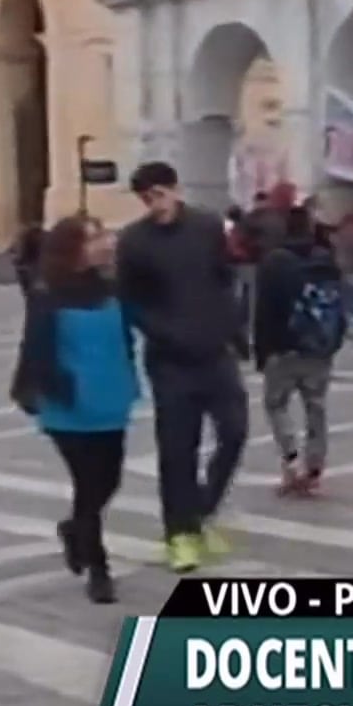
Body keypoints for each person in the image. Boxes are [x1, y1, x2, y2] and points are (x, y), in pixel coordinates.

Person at [117, 161, 249, 572]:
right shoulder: (134, 242)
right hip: (170, 361)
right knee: (178, 450)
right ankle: (180, 534)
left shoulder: (207, 226)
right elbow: (131, 301)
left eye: (158, 195)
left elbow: (225, 278)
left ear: (174, 190)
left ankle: (200, 512)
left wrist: (233, 328)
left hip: (215, 354)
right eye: (145, 199)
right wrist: (166, 333)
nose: (154, 205)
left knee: (234, 432)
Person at [8, 215, 139, 604]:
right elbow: (33, 346)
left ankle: (75, 529)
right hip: (69, 404)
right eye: (95, 237)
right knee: (87, 484)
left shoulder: (113, 289)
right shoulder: (47, 294)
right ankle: (98, 568)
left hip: (111, 398)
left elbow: (130, 337)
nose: (106, 242)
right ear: (73, 248)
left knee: (109, 479)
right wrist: (29, 390)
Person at [253, 205, 346, 495]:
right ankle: (315, 465)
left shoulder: (274, 262)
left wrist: (262, 350)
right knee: (315, 405)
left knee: (276, 404)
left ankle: (291, 459)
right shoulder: (325, 259)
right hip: (319, 346)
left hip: (284, 348)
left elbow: (264, 311)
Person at [11, 221, 44, 299]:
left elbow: (14, 252)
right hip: (31, 266)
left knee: (28, 290)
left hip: (26, 266)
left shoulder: (23, 238)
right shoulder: (39, 237)